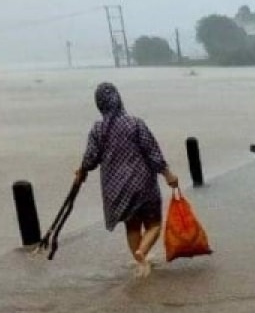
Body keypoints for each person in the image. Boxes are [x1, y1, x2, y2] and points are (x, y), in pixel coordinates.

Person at [74, 82, 179, 278]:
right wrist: (167, 174)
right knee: (154, 224)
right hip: (143, 183)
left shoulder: (98, 129)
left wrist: (81, 171)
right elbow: (152, 152)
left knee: (132, 226)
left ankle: (141, 263)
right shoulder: (135, 123)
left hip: (116, 187)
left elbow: (90, 157)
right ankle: (142, 252)